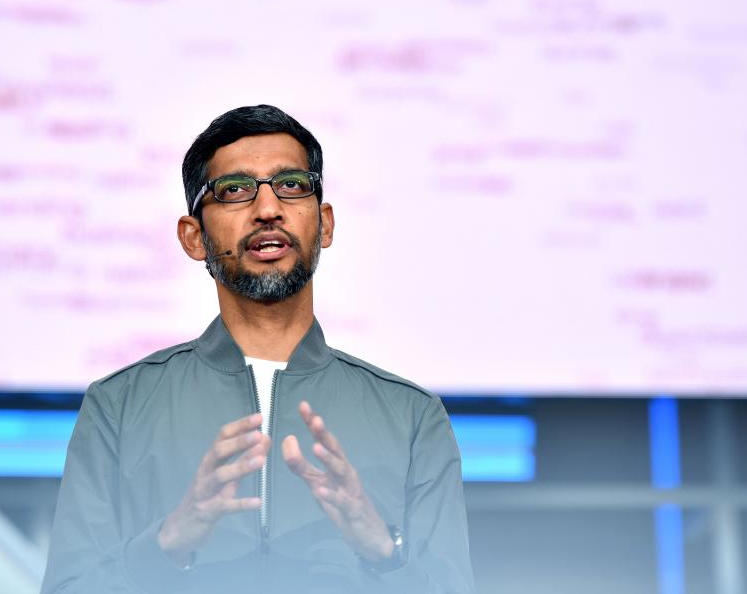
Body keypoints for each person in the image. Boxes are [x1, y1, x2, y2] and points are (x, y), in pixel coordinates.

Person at [41, 105, 475, 593]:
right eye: (234, 190)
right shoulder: (118, 407)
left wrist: (382, 551)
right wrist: (168, 543)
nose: (268, 209)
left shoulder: (413, 418)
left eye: (291, 185)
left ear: (325, 224)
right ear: (193, 238)